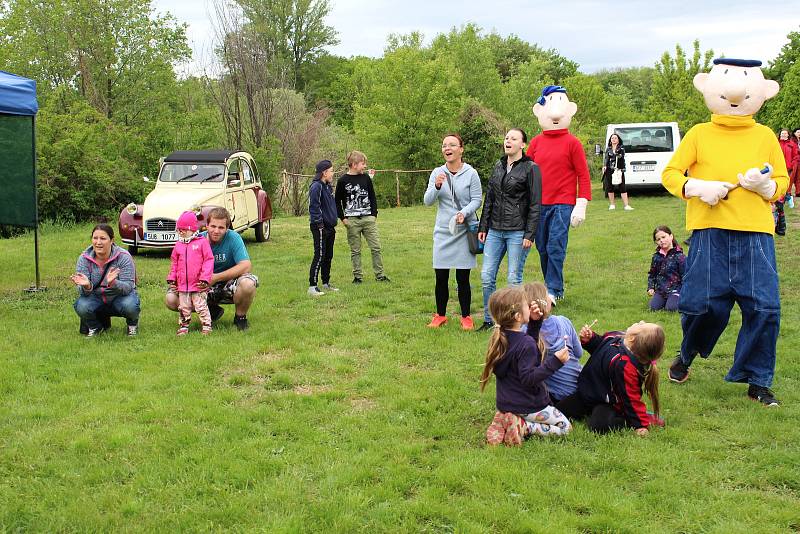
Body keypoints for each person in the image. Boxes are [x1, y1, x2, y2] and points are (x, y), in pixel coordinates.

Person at [661, 58, 788, 406]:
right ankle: (686, 355)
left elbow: (781, 181)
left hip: (755, 234)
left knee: (763, 307)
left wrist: (765, 186)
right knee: (702, 306)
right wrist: (698, 187)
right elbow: (671, 175)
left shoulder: (764, 136)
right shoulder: (699, 133)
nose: (734, 93)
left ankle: (757, 381)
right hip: (708, 232)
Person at [480, 287, 572, 446]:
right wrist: (556, 362)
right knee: (565, 428)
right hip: (528, 405)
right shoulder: (526, 343)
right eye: (526, 306)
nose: (530, 307)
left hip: (506, 403)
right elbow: (529, 378)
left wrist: (535, 322)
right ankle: (523, 426)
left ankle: (504, 417)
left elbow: (524, 352)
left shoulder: (501, 337)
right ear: (517, 316)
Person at [527, 85, 592, 304]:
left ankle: (553, 289)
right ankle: (553, 285)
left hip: (563, 203)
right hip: (539, 204)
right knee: (543, 247)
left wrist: (581, 204)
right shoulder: (535, 143)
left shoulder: (573, 143)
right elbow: (525, 172)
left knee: (556, 244)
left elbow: (583, 175)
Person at [476, 128, 542, 331]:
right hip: (495, 229)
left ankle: (514, 323)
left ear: (522, 144)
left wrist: (529, 234)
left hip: (518, 231)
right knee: (487, 276)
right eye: (506, 138)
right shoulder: (498, 165)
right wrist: (483, 225)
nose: (508, 141)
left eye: (513, 138)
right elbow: (490, 198)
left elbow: (535, 204)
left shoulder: (531, 168)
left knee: (514, 278)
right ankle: (490, 320)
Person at [556, 321, 665, 435]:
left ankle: (630, 418)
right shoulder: (615, 336)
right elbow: (599, 346)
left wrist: (640, 425)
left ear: (632, 338)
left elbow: (631, 397)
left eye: (642, 325)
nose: (641, 322)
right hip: (587, 394)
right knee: (558, 412)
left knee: (598, 426)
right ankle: (588, 411)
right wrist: (590, 339)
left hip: (607, 403)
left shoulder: (626, 366)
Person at [423, 133, 483, 330]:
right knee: (441, 276)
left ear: (461, 149)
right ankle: (440, 315)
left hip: (463, 230)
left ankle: (466, 316)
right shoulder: (437, 172)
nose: (447, 148)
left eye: (452, 145)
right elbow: (428, 200)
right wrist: (437, 186)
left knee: (462, 278)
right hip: (443, 231)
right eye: (444, 145)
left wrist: (464, 212)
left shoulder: (471, 173)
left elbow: (477, 200)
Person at [165, 207, 258, 331]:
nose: (216, 231)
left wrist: (215, 278)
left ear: (227, 228)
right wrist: (176, 281)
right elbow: (180, 263)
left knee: (248, 284)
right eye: (213, 226)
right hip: (201, 286)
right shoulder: (196, 240)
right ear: (206, 226)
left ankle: (240, 318)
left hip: (226, 283)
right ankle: (211, 311)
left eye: (221, 228)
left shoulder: (234, 238)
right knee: (171, 299)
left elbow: (246, 265)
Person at [71, 224, 140, 337]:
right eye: (95, 238)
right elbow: (82, 293)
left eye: (103, 238)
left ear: (111, 240)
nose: (98, 242)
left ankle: (132, 325)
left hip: (120, 296)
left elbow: (129, 287)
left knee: (130, 306)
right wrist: (87, 286)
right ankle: (95, 327)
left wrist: (114, 283)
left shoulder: (124, 257)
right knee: (81, 305)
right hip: (96, 297)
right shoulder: (83, 259)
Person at [335, 150, 389, 283]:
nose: (365, 166)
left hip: (368, 219)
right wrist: (343, 218)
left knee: (376, 247)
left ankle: (380, 275)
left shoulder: (365, 178)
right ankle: (358, 277)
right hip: (352, 221)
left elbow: (372, 196)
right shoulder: (342, 181)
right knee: (355, 250)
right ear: (354, 164)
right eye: (362, 164)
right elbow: (337, 201)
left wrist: (373, 215)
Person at [523, 282, 583, 403]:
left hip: (554, 395)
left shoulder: (524, 332)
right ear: (547, 303)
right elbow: (579, 353)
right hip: (579, 387)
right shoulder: (564, 321)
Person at [167, 211, 214, 335]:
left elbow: (208, 260)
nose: (181, 232)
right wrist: (172, 278)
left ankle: (206, 324)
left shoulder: (202, 243)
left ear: (192, 229)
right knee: (183, 306)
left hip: (198, 284)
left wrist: (205, 278)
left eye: (183, 230)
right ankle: (184, 325)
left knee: (200, 305)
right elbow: (174, 263)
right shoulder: (178, 245)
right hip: (183, 284)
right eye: (179, 230)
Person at [308, 159, 339, 297]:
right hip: (320, 227)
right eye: (331, 171)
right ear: (324, 172)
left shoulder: (327, 186)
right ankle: (312, 286)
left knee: (328, 256)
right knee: (320, 255)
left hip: (330, 227)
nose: (333, 173)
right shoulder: (317, 186)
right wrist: (319, 223)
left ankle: (326, 283)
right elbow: (314, 206)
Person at [647, 225, 686, 312]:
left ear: (671, 236)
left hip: (676, 290)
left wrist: (685, 292)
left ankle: (676, 300)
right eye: (658, 239)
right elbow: (652, 274)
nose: (661, 240)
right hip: (661, 291)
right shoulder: (656, 257)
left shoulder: (680, 256)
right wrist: (651, 287)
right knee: (653, 308)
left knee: (671, 308)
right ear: (656, 242)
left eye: (663, 237)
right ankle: (664, 300)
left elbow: (685, 276)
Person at [601, 133, 633, 211]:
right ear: (610, 140)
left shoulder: (621, 148)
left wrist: (616, 154)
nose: (614, 139)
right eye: (612, 138)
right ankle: (612, 205)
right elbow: (606, 158)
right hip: (609, 169)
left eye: (615, 138)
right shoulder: (608, 149)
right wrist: (604, 166)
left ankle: (626, 205)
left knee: (622, 187)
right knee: (610, 187)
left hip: (619, 169)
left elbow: (621, 156)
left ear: (618, 140)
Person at [778, 128, 798, 212]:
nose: (783, 135)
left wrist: (792, 164)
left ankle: (787, 198)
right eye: (782, 133)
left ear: (788, 135)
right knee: (780, 184)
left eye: (785, 133)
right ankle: (786, 198)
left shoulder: (792, 144)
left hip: (788, 167)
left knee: (786, 184)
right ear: (780, 135)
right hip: (778, 167)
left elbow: (795, 156)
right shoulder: (776, 143)